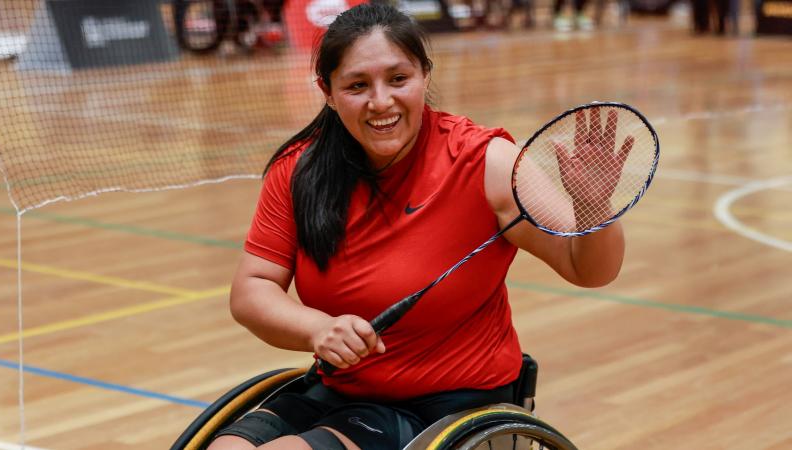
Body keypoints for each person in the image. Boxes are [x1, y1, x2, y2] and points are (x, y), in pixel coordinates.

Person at [209, 3, 626, 449]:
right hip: (337, 391)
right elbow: (252, 290)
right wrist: (315, 329)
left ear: (424, 75)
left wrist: (593, 207)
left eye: (398, 79)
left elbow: (589, 270)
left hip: (450, 409)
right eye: (357, 85)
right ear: (327, 91)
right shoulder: (298, 170)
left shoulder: (486, 163)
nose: (381, 102)